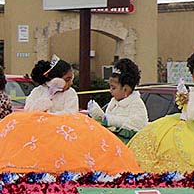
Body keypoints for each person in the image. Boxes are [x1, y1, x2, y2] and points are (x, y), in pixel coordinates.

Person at [0, 58, 139, 174]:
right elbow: (30, 111)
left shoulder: (70, 93)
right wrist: (49, 97)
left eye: (71, 79)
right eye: (67, 79)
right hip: (40, 138)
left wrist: (50, 117)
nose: (70, 83)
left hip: (61, 139)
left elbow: (70, 115)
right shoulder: (38, 92)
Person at [87, 58, 149, 143]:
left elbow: (135, 124)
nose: (110, 90)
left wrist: (108, 120)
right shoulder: (113, 103)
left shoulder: (136, 104)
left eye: (113, 88)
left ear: (125, 89)